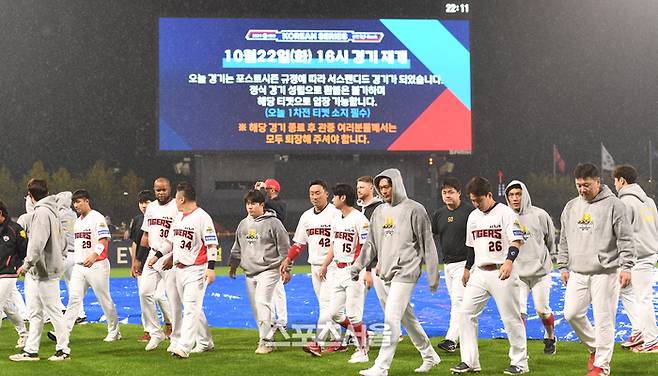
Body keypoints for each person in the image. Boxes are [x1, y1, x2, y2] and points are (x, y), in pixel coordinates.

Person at [351, 168, 441, 376]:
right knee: (406, 317)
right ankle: (430, 355)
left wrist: (433, 274)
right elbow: (370, 245)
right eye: (381, 188)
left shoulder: (415, 209)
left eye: (387, 187)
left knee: (391, 318)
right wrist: (357, 266)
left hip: (407, 271)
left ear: (397, 185)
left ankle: (381, 368)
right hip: (385, 272)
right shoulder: (379, 212)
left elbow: (427, 243)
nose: (384, 191)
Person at [558, 163, 635, 376]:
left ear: (598, 182)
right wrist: (563, 265)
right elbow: (564, 240)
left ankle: (602, 366)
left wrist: (626, 267)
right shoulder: (571, 206)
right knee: (571, 313)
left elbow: (626, 239)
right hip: (578, 273)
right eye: (578, 185)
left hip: (606, 272)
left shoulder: (615, 205)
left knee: (604, 319)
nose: (582, 189)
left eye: (586, 185)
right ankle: (595, 347)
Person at [450, 176, 528, 375]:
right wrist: (467, 268)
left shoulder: (506, 213)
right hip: (480, 272)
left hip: (502, 270)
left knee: (511, 318)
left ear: (490, 195)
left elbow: (516, 240)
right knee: (466, 313)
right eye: (473, 200)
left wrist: (509, 261)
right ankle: (469, 361)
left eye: (479, 200)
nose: (476, 204)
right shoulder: (474, 216)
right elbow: (471, 247)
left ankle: (520, 362)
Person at [148, 182, 217, 358]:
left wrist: (211, 268)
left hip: (196, 269)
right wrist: (157, 255)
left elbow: (211, 244)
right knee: (192, 306)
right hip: (179, 269)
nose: (175, 202)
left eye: (177, 198)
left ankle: (183, 347)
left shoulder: (202, 217)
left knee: (191, 308)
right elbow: (171, 243)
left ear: (181, 198)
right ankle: (205, 342)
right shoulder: (179, 217)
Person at [279, 179, 343, 355]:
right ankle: (339, 341)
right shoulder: (306, 216)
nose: (314, 197)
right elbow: (299, 243)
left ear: (326, 194)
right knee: (327, 306)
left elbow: (340, 240)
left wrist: (328, 264)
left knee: (327, 306)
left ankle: (318, 342)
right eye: (311, 194)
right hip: (315, 266)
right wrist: (288, 260)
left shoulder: (336, 213)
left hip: (333, 266)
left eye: (318, 193)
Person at [10, 178, 70, 361]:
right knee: (35, 312)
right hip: (43, 270)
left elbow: (37, 243)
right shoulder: (52, 211)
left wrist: (27, 264)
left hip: (45, 271)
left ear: (31, 195)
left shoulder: (42, 213)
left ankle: (63, 350)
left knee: (52, 311)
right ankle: (31, 350)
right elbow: (64, 241)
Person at [229, 189, 290, 354]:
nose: (250, 207)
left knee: (262, 302)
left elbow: (285, 247)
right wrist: (233, 264)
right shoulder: (243, 224)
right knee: (257, 307)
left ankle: (266, 341)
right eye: (248, 204)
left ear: (262, 205)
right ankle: (266, 338)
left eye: (253, 203)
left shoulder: (274, 223)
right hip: (249, 272)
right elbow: (237, 246)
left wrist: (287, 269)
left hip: (269, 269)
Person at [56, 189, 120, 342]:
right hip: (79, 266)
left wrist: (94, 254)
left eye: (78, 201)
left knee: (103, 298)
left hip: (97, 265)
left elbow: (104, 239)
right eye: (74, 202)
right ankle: (64, 331)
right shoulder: (78, 221)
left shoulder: (97, 217)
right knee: (74, 298)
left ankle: (114, 331)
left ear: (87, 201)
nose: (75, 205)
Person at [319, 184, 370, 364]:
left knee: (354, 314)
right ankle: (363, 335)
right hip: (338, 269)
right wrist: (325, 264)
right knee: (334, 313)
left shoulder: (360, 219)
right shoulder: (337, 219)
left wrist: (358, 269)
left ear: (343, 198)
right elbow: (334, 245)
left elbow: (364, 247)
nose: (332, 200)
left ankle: (362, 350)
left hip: (353, 269)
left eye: (335, 196)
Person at [505, 180, 557, 355]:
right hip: (517, 274)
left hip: (540, 273)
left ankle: (550, 336)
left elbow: (550, 240)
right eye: (511, 195)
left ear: (524, 194)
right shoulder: (504, 216)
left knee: (542, 310)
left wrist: (545, 259)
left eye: (518, 194)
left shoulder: (540, 215)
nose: (515, 198)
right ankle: (521, 350)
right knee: (519, 311)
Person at [612, 165, 658, 353]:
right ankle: (640, 330)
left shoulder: (624, 203)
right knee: (626, 291)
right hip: (648, 253)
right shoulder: (649, 201)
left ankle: (652, 341)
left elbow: (622, 233)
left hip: (637, 257)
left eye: (615, 181)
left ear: (622, 181)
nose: (614, 185)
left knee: (642, 298)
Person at [431, 177, 473, 353]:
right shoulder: (439, 214)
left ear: (459, 193)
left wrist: (469, 267)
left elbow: (474, 241)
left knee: (458, 302)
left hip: (464, 263)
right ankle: (462, 337)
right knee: (456, 302)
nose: (447, 195)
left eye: (451, 192)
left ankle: (451, 339)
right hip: (448, 265)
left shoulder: (470, 212)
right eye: (444, 192)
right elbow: (431, 237)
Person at [139, 177, 177, 351]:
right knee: (145, 293)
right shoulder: (152, 207)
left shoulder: (177, 205)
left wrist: (173, 255)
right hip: (153, 255)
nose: (161, 193)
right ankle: (156, 333)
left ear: (170, 189)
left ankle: (177, 335)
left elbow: (181, 234)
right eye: (158, 190)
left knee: (175, 297)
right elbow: (146, 235)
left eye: (164, 189)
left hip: (171, 255)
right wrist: (139, 259)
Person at [129, 189, 172, 342]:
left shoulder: (172, 208)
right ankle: (151, 331)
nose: (144, 205)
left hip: (168, 256)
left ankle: (171, 325)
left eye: (147, 202)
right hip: (150, 258)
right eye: (141, 202)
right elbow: (139, 241)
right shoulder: (140, 218)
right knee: (144, 294)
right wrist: (137, 260)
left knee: (163, 296)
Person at [255, 178, 288, 330]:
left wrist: (261, 193)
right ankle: (273, 318)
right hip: (265, 248)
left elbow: (276, 211)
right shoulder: (265, 204)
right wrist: (258, 193)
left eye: (267, 189)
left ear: (273, 190)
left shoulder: (280, 204)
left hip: (277, 248)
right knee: (266, 287)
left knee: (278, 287)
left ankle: (281, 319)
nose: (266, 191)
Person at [0, 200, 28, 349]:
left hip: (8, 272)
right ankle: (24, 334)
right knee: (8, 307)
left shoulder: (15, 229)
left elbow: (25, 250)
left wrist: (23, 265)